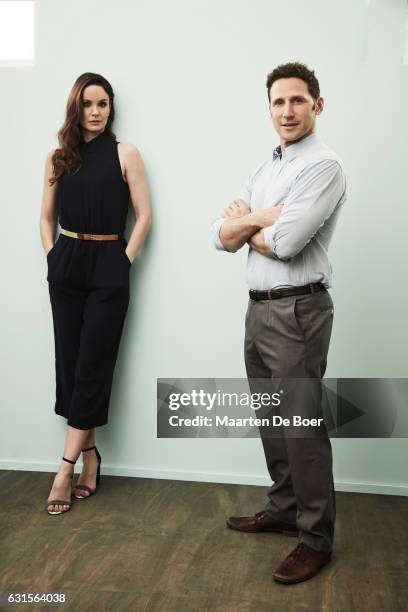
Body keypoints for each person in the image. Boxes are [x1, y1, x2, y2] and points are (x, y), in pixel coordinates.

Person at [211, 62, 347, 583]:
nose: (287, 110)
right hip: (259, 308)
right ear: (269, 108)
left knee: (302, 427)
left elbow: (287, 245)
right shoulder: (265, 169)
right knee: (272, 418)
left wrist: (247, 224)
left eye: (297, 100)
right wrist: (262, 217)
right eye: (278, 102)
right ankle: (286, 509)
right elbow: (217, 235)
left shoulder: (324, 166)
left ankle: (316, 538)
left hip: (298, 309)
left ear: (317, 104)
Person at [40, 72, 151, 515]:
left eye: (103, 104)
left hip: (108, 263)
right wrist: (53, 257)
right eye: (87, 104)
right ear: (75, 108)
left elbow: (143, 217)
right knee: (70, 364)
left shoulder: (126, 153)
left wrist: (123, 260)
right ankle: (91, 456)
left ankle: (64, 469)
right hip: (66, 263)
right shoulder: (58, 158)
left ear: (111, 108)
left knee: (93, 364)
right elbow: (45, 217)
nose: (96, 112)